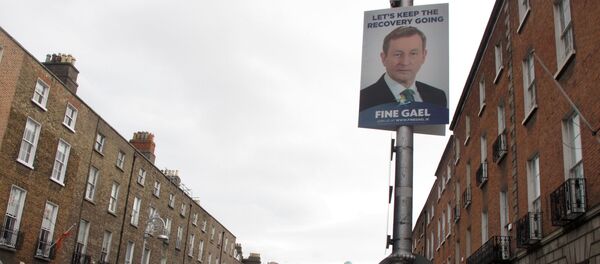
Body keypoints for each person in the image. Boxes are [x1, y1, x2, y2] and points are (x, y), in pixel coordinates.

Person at [359, 26, 447, 112]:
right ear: (384, 58)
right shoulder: (364, 98)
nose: (405, 62)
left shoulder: (438, 96)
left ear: (423, 56)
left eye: (413, 53)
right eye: (397, 54)